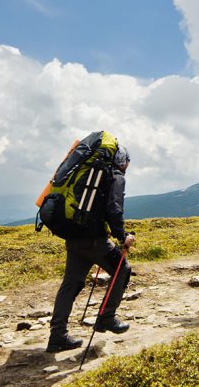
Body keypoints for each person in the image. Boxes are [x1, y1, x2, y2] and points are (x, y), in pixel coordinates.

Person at [45, 143, 135, 353]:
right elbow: (114, 209)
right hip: (95, 240)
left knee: (70, 284)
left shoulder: (89, 174)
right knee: (122, 269)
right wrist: (123, 236)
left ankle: (57, 335)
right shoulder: (114, 176)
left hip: (73, 237)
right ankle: (106, 317)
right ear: (122, 161)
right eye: (127, 162)